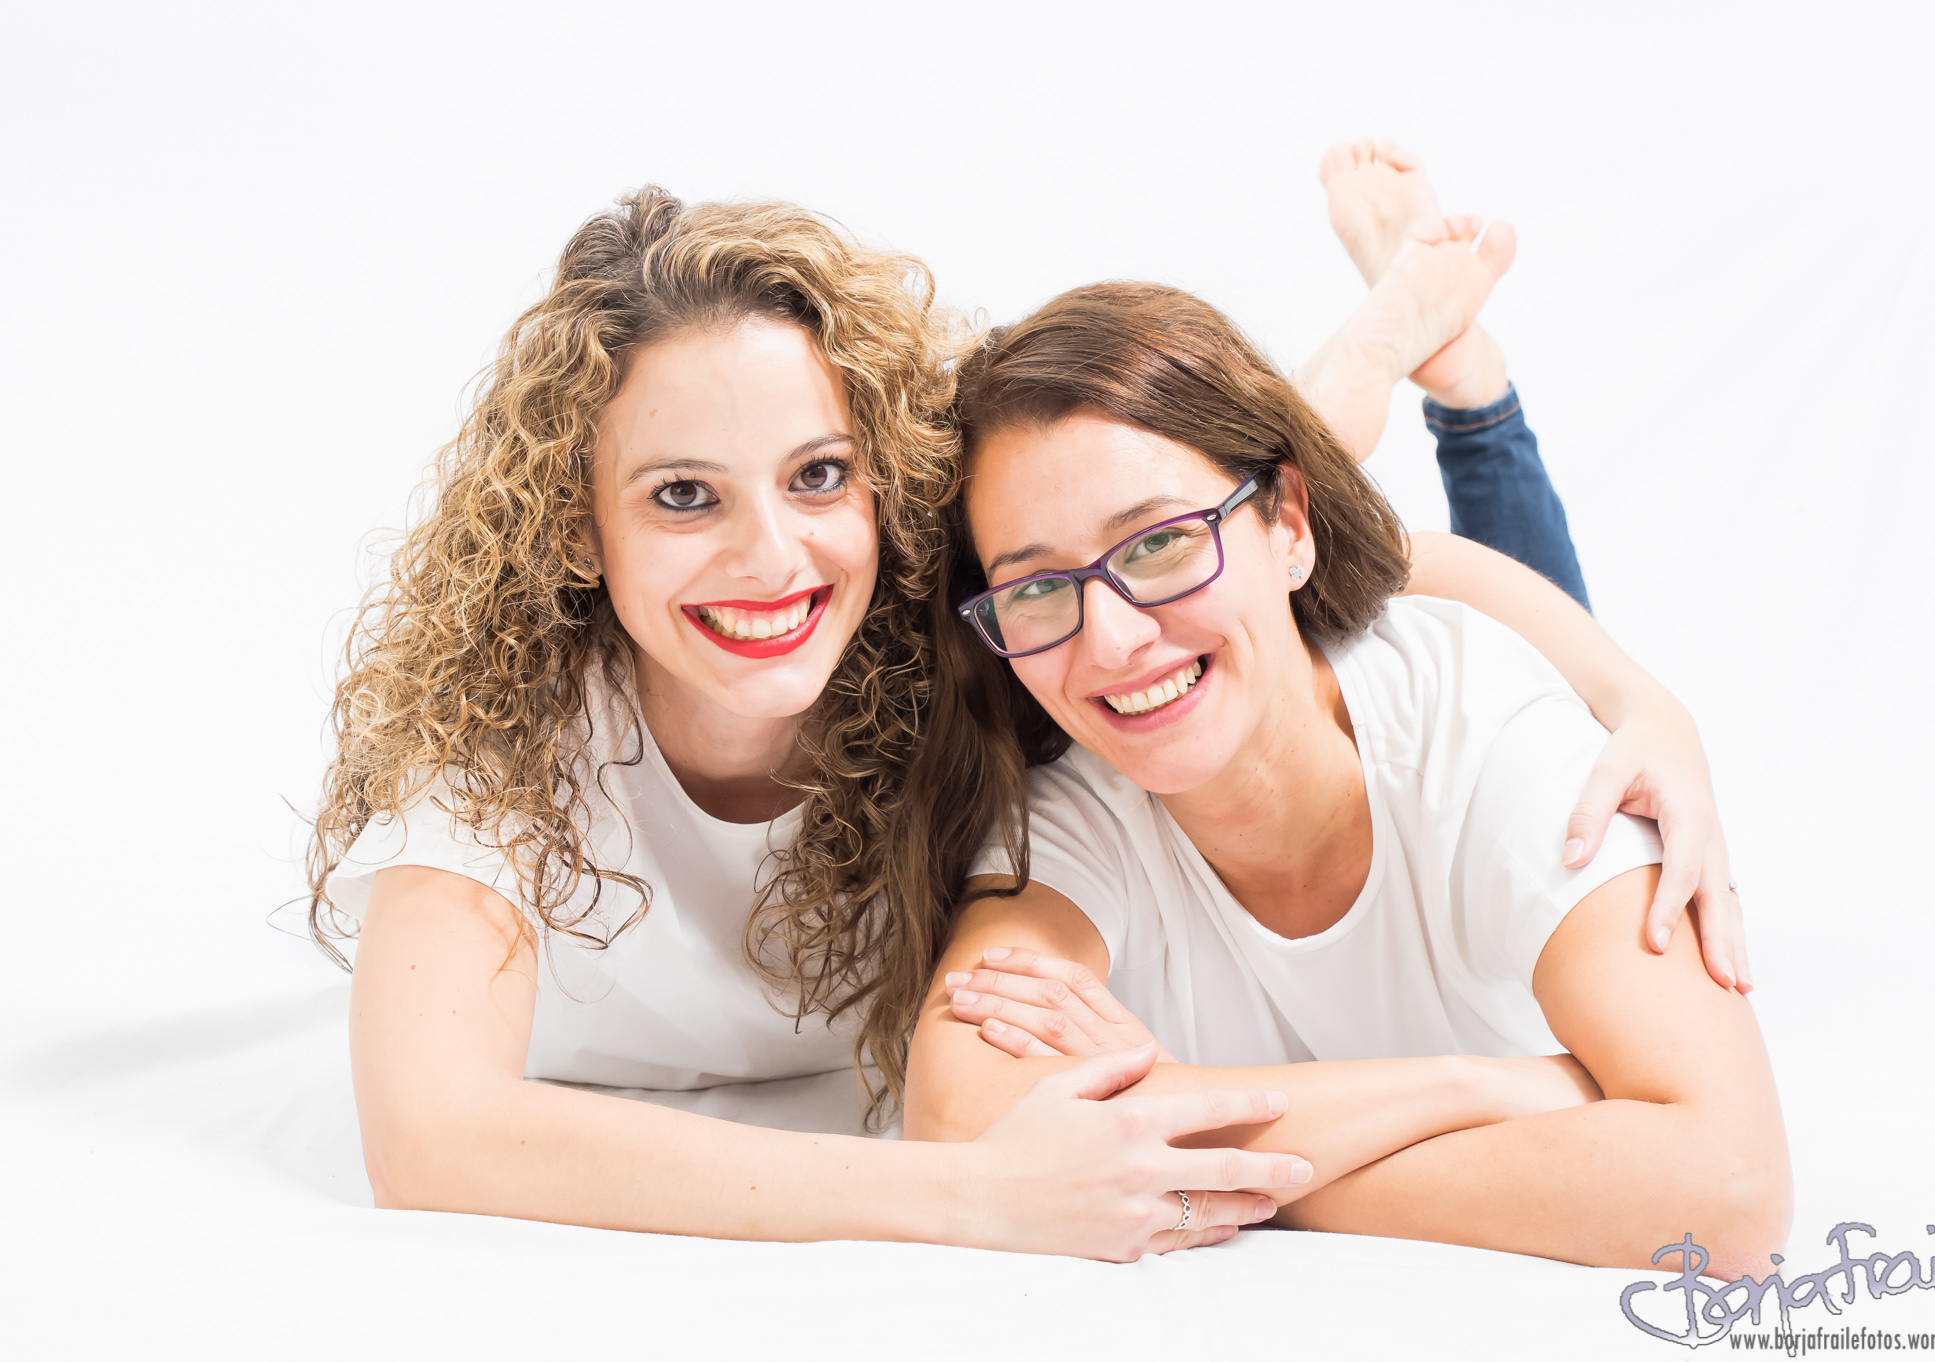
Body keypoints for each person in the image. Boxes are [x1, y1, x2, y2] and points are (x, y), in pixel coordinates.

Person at [306, 148, 1746, 1257]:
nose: (769, 557)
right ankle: (1392, 344)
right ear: (575, 527)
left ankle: (1428, 367)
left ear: (882, 482)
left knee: (1234, 527)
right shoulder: (495, 739)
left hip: (1337, 570)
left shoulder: (957, 639)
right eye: (682, 495)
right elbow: (432, 1140)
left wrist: (1640, 695)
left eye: (818, 475)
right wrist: (966, 1195)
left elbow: (1373, 572)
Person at [903, 261, 1790, 1280]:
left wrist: (1202, 1170)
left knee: (1504, 609)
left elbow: (1728, 1193)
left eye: (1158, 545)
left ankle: (1470, 398)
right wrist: (1474, 1087)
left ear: (1289, 523)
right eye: (1035, 589)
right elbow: (961, 1124)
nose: (1109, 640)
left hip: (1421, 634)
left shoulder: (1490, 727)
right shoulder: (1065, 811)